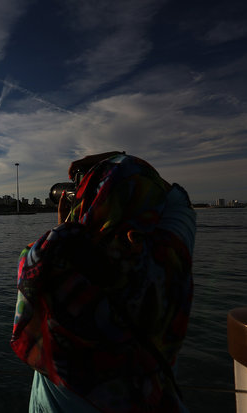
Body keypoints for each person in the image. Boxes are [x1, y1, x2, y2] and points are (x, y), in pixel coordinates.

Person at [11, 152, 195, 412]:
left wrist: (70, 226)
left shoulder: (51, 265)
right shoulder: (169, 261)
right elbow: (180, 202)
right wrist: (120, 162)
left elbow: (63, 255)